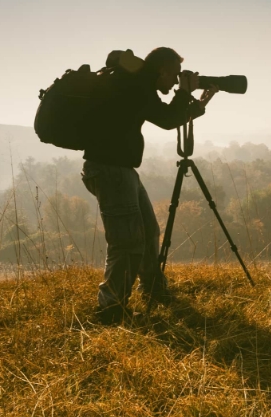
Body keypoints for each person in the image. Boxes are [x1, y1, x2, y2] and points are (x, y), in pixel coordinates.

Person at [81, 47, 217, 324]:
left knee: (149, 231)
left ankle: (153, 290)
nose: (175, 82)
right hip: (111, 170)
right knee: (126, 241)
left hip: (120, 169)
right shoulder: (135, 86)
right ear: (162, 70)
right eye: (175, 76)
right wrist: (184, 94)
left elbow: (168, 116)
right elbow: (167, 120)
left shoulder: (137, 85)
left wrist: (200, 102)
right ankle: (111, 309)